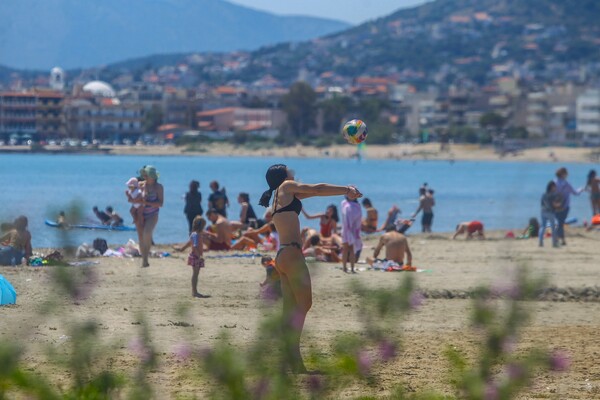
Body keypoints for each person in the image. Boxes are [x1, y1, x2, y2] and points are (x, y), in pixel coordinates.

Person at [258, 164, 362, 373]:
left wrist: (341, 191)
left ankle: (286, 356)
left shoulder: (280, 196)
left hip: (282, 256)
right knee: (304, 304)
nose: (293, 172)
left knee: (290, 309)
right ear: (283, 176)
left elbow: (314, 193)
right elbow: (317, 188)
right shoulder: (286, 186)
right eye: (289, 170)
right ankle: (293, 354)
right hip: (293, 256)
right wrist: (346, 189)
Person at [139, 166, 164, 268]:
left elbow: (161, 203)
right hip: (140, 214)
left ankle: (145, 259)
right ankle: (144, 259)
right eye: (145, 175)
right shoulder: (141, 185)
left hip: (152, 214)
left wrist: (147, 202)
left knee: (147, 233)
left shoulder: (159, 187)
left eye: (147, 175)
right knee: (141, 238)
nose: (145, 177)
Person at [554, 167, 582, 246]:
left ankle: (559, 239)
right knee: (560, 223)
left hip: (555, 206)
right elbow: (575, 193)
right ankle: (559, 239)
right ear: (563, 174)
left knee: (559, 223)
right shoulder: (566, 184)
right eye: (566, 173)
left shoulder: (553, 182)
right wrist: (581, 189)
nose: (567, 175)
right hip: (564, 206)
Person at [184, 216, 210, 298]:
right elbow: (195, 246)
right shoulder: (196, 235)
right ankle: (194, 292)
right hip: (196, 256)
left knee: (196, 274)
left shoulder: (195, 234)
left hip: (195, 255)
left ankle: (194, 291)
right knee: (195, 274)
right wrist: (199, 256)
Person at [341, 197, 362, 273]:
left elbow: (345, 219)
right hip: (354, 230)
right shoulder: (357, 206)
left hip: (346, 230)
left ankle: (344, 268)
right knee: (351, 250)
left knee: (345, 249)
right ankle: (352, 268)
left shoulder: (345, 205)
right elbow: (359, 219)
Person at [539, 181, 561, 247]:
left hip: (543, 211)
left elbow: (541, 203)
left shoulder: (544, 194)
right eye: (555, 187)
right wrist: (559, 205)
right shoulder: (553, 195)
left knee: (543, 226)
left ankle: (540, 241)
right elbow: (554, 204)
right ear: (552, 187)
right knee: (553, 227)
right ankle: (554, 243)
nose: (556, 188)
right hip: (550, 212)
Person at [125, 177, 144, 242]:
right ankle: (135, 219)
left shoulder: (138, 191)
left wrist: (132, 199)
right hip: (135, 204)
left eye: (131, 186)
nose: (129, 188)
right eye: (129, 186)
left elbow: (138, 198)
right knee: (131, 211)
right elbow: (129, 200)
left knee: (140, 214)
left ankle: (139, 222)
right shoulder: (130, 191)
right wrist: (128, 195)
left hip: (139, 204)